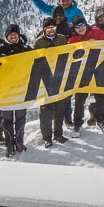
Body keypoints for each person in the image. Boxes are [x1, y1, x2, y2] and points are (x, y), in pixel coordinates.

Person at [0, 24, 31, 155]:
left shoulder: (26, 49)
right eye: (10, 34)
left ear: (19, 35)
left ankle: (19, 141)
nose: (13, 36)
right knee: (7, 119)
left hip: (22, 89)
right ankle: (9, 144)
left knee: (21, 117)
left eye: (15, 34)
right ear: (6, 36)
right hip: (6, 90)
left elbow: (37, 63)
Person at [33, 17, 71, 147]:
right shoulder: (38, 42)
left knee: (60, 108)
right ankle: (47, 137)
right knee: (46, 111)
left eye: (53, 28)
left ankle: (58, 134)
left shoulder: (61, 39)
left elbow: (67, 54)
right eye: (48, 29)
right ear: (44, 30)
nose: (51, 31)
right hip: (45, 79)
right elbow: (34, 59)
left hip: (59, 77)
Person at [68, 15, 104, 135]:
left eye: (82, 25)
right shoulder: (72, 39)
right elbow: (69, 54)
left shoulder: (95, 31)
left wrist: (96, 43)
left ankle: (100, 120)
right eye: (77, 27)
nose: (81, 28)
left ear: (86, 24)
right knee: (80, 99)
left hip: (97, 69)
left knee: (100, 95)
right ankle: (77, 123)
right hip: (81, 73)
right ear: (74, 28)